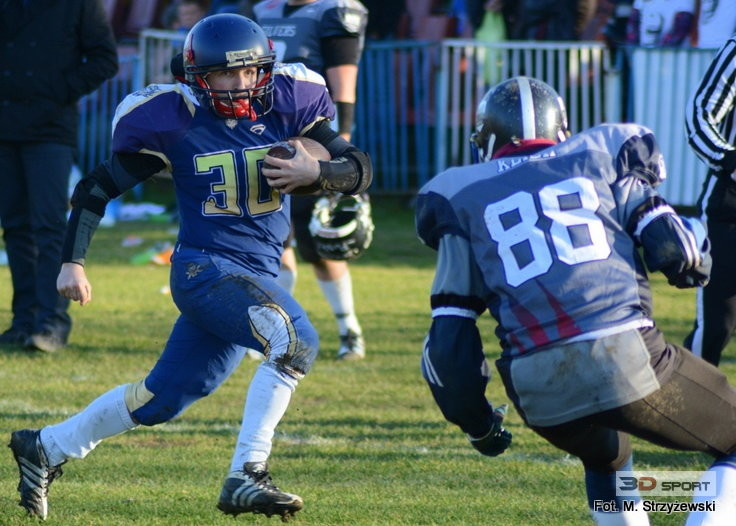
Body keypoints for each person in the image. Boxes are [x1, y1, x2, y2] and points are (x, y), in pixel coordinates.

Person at [8, 13, 372, 521]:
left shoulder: (293, 100)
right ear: (198, 75)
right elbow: (95, 188)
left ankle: (46, 446)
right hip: (206, 268)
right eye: (225, 74)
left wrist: (320, 171)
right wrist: (73, 261)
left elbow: (358, 168)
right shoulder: (173, 118)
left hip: (254, 275)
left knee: (162, 398)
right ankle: (248, 474)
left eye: (249, 72)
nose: (240, 83)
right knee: (296, 340)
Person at [416, 76, 736, 526]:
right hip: (624, 356)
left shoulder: (460, 194)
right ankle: (703, 509)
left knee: (609, 459)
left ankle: (679, 502)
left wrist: (479, 425)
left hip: (536, 389)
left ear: (485, 141)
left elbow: (446, 348)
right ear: (561, 129)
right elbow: (681, 256)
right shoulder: (603, 154)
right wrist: (699, 245)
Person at [254, 0, 371, 360]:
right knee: (273, 241)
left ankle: (349, 329)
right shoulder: (262, 10)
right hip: (262, 137)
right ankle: (269, 332)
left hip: (310, 142)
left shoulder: (334, 10)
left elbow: (343, 82)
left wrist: (340, 149)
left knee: (316, 242)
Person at [0, 0, 118, 352]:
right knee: (16, 226)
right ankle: (23, 321)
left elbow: (105, 59)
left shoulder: (80, 4)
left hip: (51, 128)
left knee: (49, 225)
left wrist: (57, 91)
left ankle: (52, 323)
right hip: (5, 126)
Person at [684, 35, 736, 366]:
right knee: (718, 325)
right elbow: (699, 115)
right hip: (728, 208)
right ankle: (686, 412)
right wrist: (730, 161)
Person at [626, 0, 695, 47]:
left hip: (673, 59)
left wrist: (657, 54)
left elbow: (680, 31)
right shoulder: (641, 1)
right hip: (642, 58)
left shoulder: (684, 2)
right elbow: (633, 30)